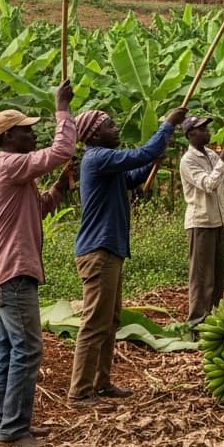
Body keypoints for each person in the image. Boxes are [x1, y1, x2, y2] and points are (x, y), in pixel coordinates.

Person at [66, 104, 186, 406]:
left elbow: (133, 175)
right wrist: (168, 124)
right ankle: (80, 390)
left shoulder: (107, 164)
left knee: (110, 320)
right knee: (95, 322)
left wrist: (152, 161)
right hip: (99, 250)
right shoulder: (97, 158)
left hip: (111, 249)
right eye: (109, 125)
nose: (116, 128)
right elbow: (140, 154)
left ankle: (101, 381)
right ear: (95, 134)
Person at [0, 80, 76, 447]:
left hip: (10, 271)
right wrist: (62, 107)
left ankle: (7, 423)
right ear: (8, 138)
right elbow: (62, 148)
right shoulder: (9, 165)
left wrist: (59, 190)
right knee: (27, 349)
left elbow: (37, 210)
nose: (33, 134)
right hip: (12, 272)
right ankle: (13, 429)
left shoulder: (14, 172)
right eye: (26, 130)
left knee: (11, 349)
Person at [179, 115, 224, 330]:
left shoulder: (211, 154)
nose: (207, 131)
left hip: (217, 220)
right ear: (191, 134)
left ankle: (213, 316)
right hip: (200, 222)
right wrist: (223, 160)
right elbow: (209, 184)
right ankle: (196, 322)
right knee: (201, 275)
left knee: (219, 273)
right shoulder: (188, 161)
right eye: (201, 129)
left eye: (206, 128)